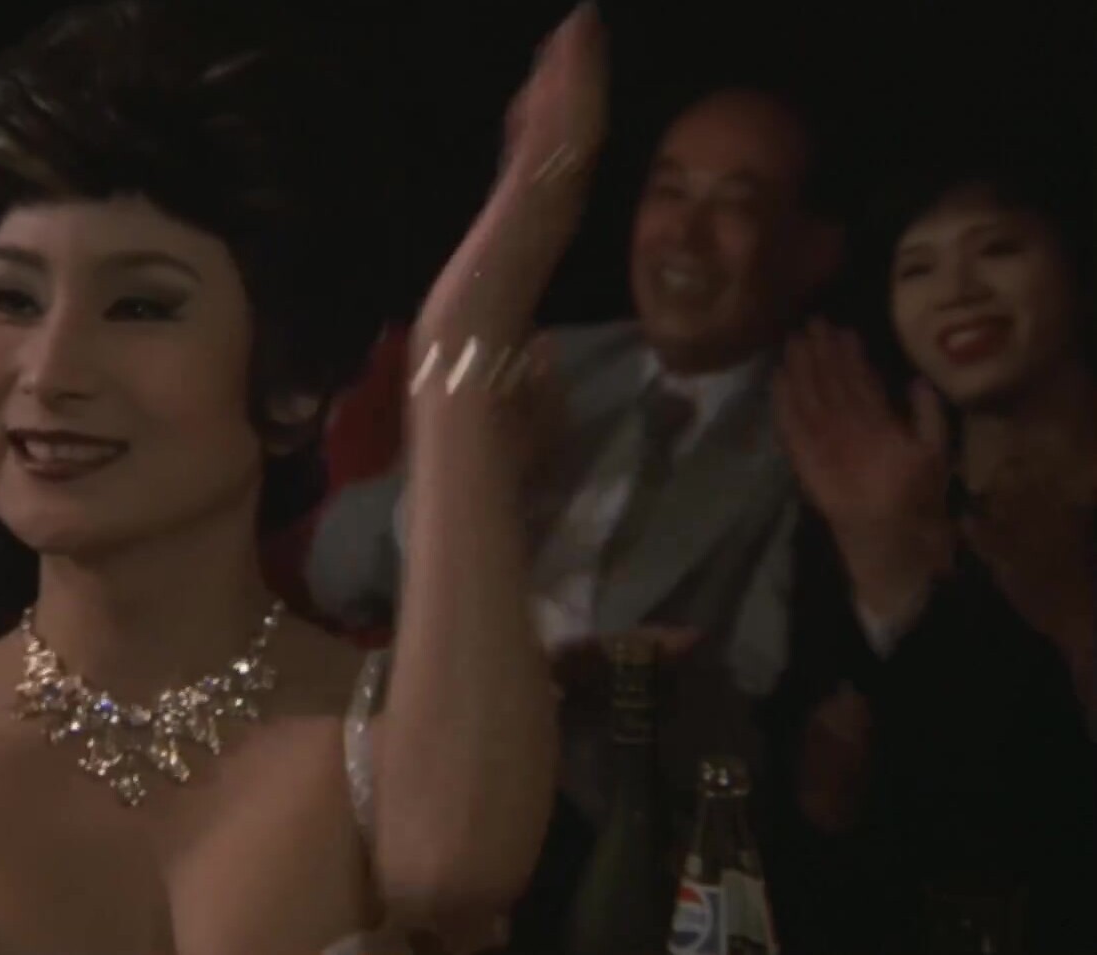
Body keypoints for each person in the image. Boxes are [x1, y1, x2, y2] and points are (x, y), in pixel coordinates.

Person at [0, 2, 607, 951]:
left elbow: (452, 871)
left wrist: (461, 344)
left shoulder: (393, 737)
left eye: (138, 307)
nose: (47, 372)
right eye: (12, 300)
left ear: (293, 383)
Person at [305, 83, 841, 944]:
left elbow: (752, 730)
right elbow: (332, 568)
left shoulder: (811, 433)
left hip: (594, 833)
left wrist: (630, 682)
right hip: (394, 768)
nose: (685, 235)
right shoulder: (554, 364)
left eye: (736, 205)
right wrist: (471, 478)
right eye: (669, 191)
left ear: (813, 251)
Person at [773, 137, 1097, 953]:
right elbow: (848, 825)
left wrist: (1072, 609)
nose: (956, 291)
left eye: (998, 249)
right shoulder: (875, 494)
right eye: (916, 268)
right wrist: (886, 586)